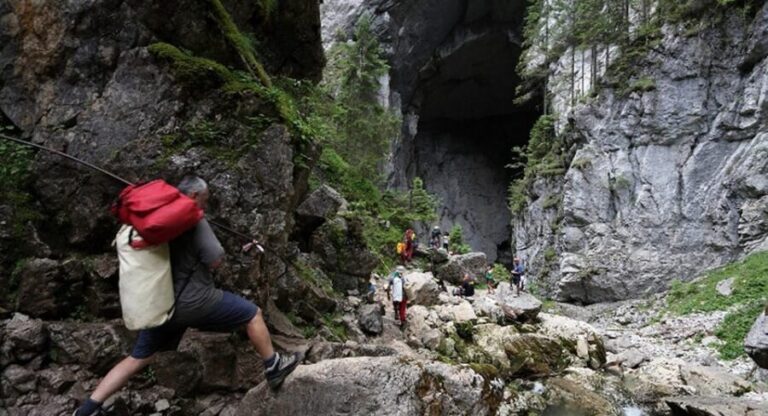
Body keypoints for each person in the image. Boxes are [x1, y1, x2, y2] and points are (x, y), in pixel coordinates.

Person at [73, 176, 301, 416]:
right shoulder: (193, 218)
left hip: (161, 303)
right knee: (252, 315)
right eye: (205, 198)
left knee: (137, 358)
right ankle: (273, 365)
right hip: (196, 300)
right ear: (194, 196)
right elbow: (214, 258)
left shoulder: (157, 220)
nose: (205, 204)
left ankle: (87, 409)